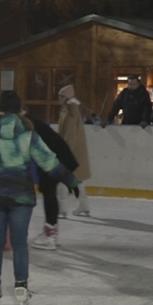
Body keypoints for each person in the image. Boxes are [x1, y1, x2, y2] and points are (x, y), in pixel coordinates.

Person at [0, 90, 79, 305]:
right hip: (21, 198)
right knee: (19, 243)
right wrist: (70, 180)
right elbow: (49, 162)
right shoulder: (29, 135)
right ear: (19, 108)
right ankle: (21, 287)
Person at [25, 109, 78, 251]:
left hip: (56, 160)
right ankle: (51, 232)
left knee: (48, 191)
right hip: (58, 158)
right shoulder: (31, 122)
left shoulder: (27, 125)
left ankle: (50, 236)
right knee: (48, 191)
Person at [57, 84, 92, 217]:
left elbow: (70, 134)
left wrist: (65, 153)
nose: (59, 99)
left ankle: (62, 209)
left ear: (66, 97)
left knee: (63, 179)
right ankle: (84, 205)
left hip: (71, 151)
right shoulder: (69, 109)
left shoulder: (70, 112)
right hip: (74, 150)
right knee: (77, 179)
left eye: (61, 96)